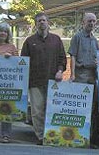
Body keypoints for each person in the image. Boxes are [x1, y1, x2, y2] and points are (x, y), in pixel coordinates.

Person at [20, 12, 66, 145]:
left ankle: (51, 135)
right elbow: (23, 62)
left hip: (53, 81)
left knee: (51, 110)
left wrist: (60, 71)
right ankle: (41, 137)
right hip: (34, 81)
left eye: (44, 20)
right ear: (36, 24)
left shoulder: (56, 40)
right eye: (39, 21)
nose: (42, 22)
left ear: (48, 23)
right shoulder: (29, 41)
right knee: (37, 111)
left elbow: (62, 58)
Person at [68, 12, 99, 148]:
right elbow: (73, 56)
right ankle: (76, 138)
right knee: (80, 109)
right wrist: (72, 75)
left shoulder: (95, 40)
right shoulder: (77, 37)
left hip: (92, 77)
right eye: (89, 21)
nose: (92, 23)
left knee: (92, 110)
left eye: (94, 21)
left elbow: (98, 59)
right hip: (81, 76)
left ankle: (88, 139)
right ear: (83, 22)